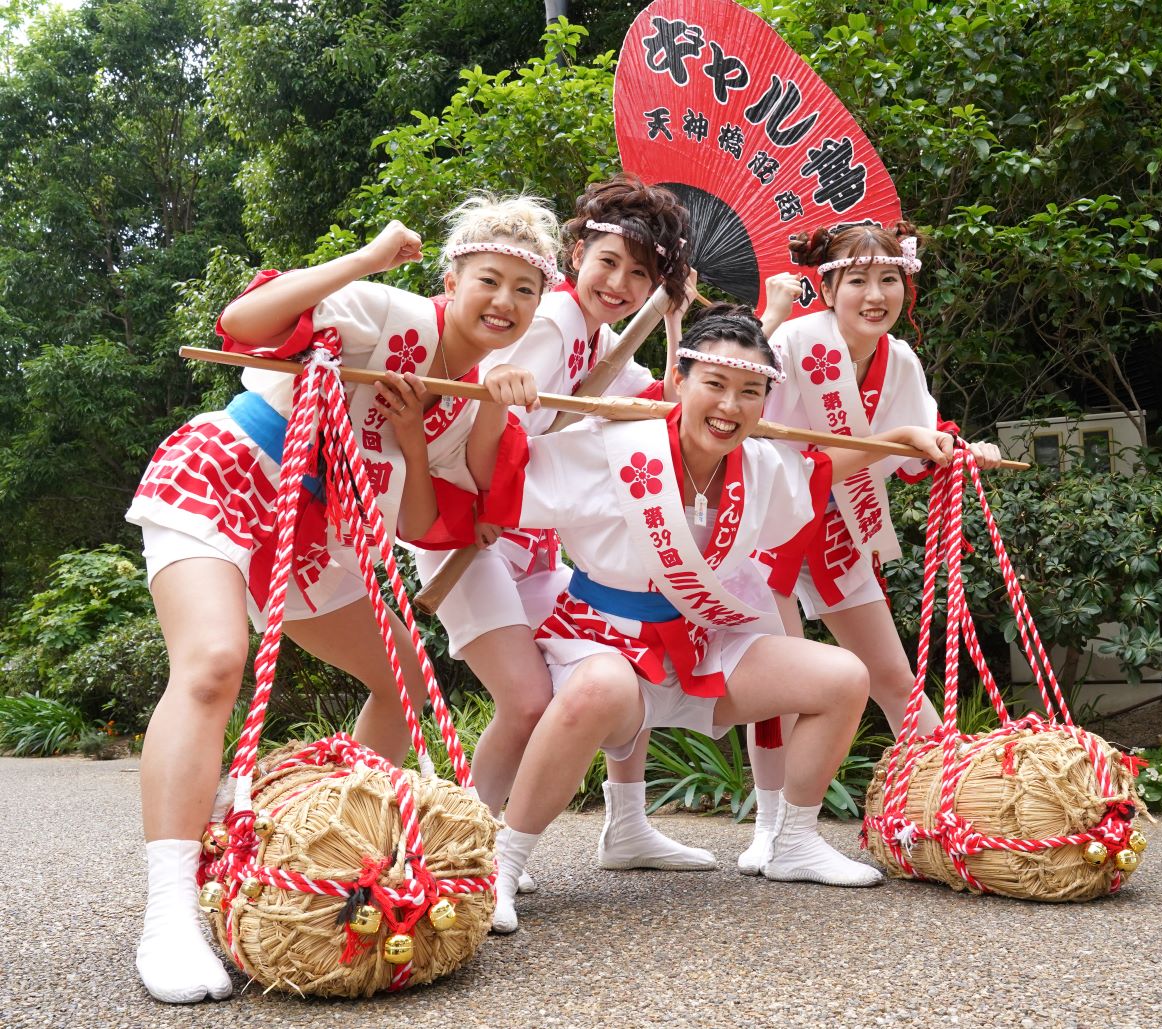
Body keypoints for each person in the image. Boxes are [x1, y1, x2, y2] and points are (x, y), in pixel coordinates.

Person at [123, 195, 561, 1003]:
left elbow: (428, 524)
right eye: (488, 280)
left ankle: (343, 849)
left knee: (400, 678)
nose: (504, 303)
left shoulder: (472, 393)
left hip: (322, 527)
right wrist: (365, 256)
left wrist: (417, 446)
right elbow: (244, 319)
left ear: (540, 306)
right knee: (216, 664)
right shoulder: (383, 307)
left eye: (524, 291)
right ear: (452, 276)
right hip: (232, 471)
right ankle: (170, 911)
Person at [468, 305, 955, 933]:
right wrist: (491, 398)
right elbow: (499, 473)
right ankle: (502, 868)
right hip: (600, 642)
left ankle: (794, 842)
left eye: (751, 391)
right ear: (678, 382)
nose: (731, 405)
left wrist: (901, 440)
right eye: (715, 385)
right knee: (596, 690)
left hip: (700, 641)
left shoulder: (761, 464)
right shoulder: (610, 446)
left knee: (841, 676)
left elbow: (821, 472)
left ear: (765, 402)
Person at [421, 175, 714, 877]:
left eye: (640, 274)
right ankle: (461, 853)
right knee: (526, 701)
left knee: (619, 644)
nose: (617, 283)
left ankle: (628, 826)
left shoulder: (600, 336)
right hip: (472, 533)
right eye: (608, 261)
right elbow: (481, 445)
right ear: (577, 250)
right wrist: (497, 507)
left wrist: (674, 317)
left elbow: (668, 404)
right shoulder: (551, 322)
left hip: (527, 540)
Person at [735, 222, 1003, 875]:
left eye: (888, 279)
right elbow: (771, 441)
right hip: (769, 521)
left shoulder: (900, 359)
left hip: (839, 527)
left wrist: (956, 450)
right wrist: (909, 436)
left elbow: (917, 448)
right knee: (781, 686)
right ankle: (771, 828)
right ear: (827, 286)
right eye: (856, 279)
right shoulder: (796, 342)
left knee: (893, 675)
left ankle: (950, 798)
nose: (874, 294)